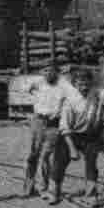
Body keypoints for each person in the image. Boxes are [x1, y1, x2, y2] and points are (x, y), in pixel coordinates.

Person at [51, 68, 104, 208]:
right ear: (75, 84)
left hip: (90, 135)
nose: (84, 87)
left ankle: (91, 195)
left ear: (91, 83)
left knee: (91, 164)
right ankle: (55, 191)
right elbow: (65, 128)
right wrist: (72, 149)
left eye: (86, 84)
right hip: (70, 135)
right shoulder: (70, 101)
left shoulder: (97, 94)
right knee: (60, 163)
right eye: (80, 84)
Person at [24, 63, 80, 199]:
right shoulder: (38, 83)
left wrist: (62, 110)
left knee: (45, 156)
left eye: (51, 70)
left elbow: (75, 98)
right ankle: (28, 187)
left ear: (57, 72)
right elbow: (26, 90)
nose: (48, 73)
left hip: (53, 125)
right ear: (42, 72)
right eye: (45, 70)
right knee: (33, 155)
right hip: (38, 121)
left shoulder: (64, 85)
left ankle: (44, 188)